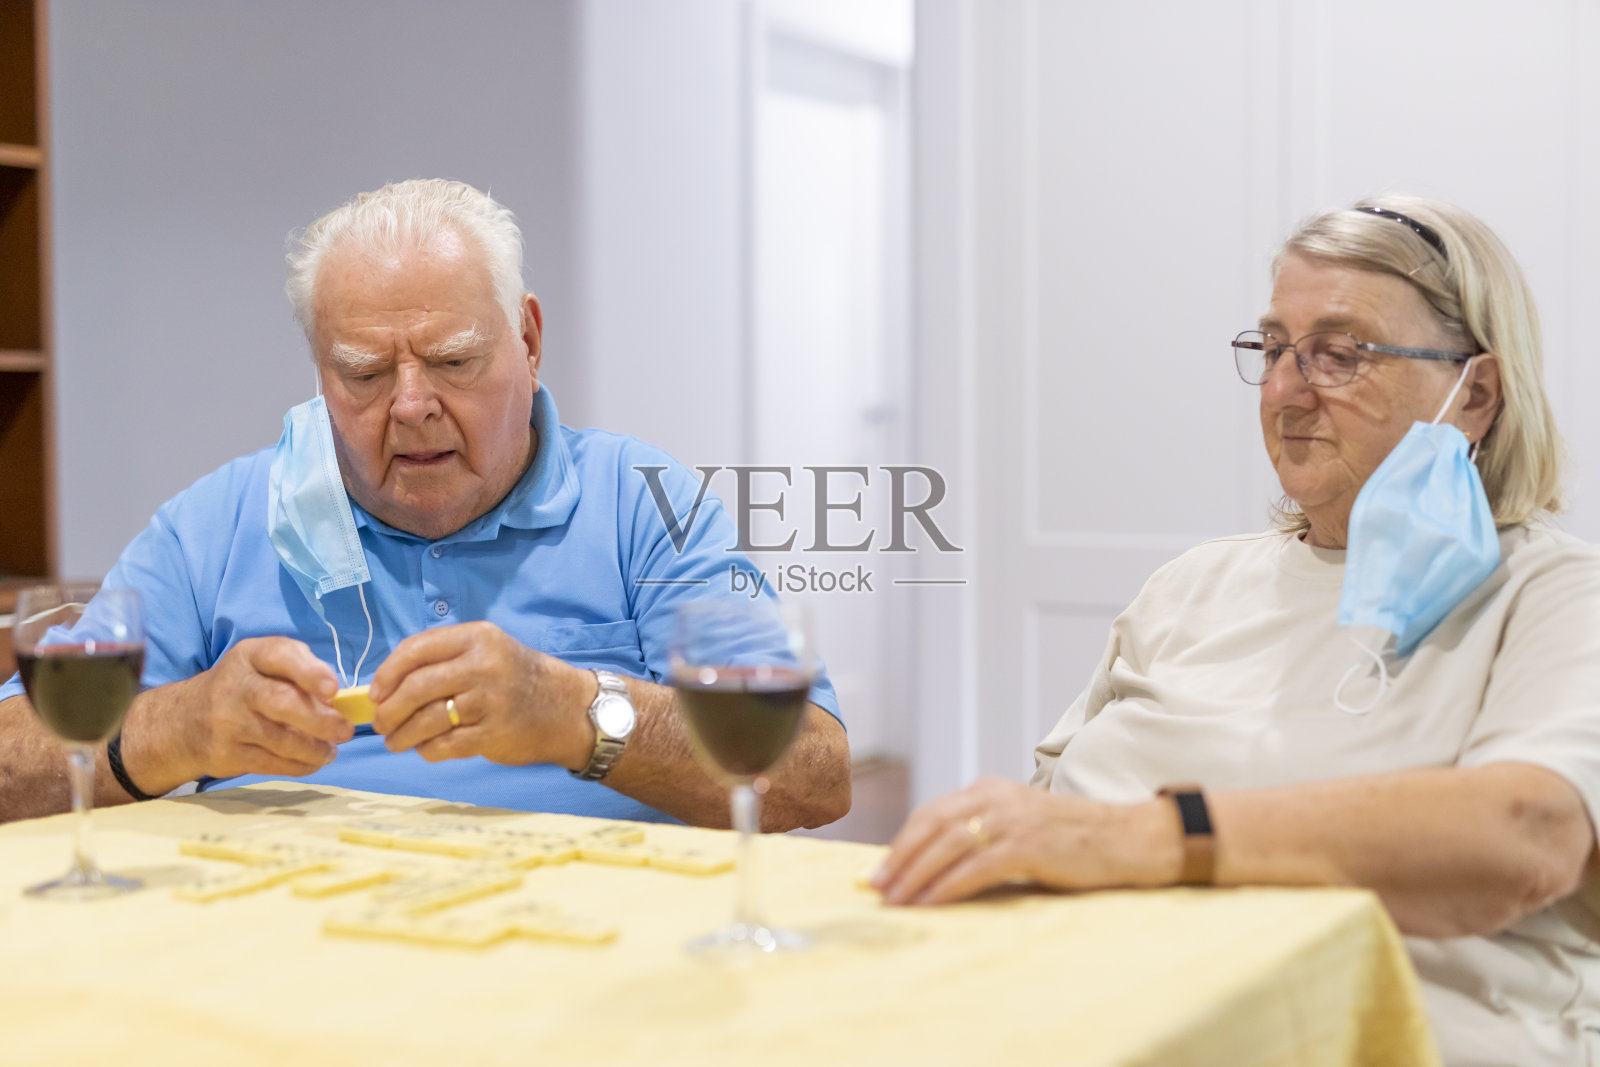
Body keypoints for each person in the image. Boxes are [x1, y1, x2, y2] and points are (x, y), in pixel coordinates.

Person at [875, 196, 1600, 1065]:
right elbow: (1049, 812)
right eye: (1273, 348)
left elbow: (1524, 835)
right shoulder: (1192, 586)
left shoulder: (1554, 595)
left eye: (1340, 354)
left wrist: (1147, 837)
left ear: (1473, 392)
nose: (1286, 391)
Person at [0, 179, 850, 830]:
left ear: (528, 339)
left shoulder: (644, 509)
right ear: (321, 374)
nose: (410, 405)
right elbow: (10, 757)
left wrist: (574, 713)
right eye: (365, 373)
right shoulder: (216, 524)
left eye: (452, 360)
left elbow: (814, 769)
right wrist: (174, 728)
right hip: (283, 946)